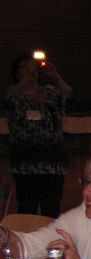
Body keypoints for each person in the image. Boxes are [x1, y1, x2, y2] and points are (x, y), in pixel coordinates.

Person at [4, 55, 72, 217]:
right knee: (27, 209)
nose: (30, 70)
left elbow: (69, 94)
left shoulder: (51, 92)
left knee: (51, 210)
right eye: (24, 67)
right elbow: (8, 100)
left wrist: (56, 77)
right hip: (26, 163)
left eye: (32, 67)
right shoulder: (14, 94)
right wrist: (27, 79)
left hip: (53, 162)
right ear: (16, 73)